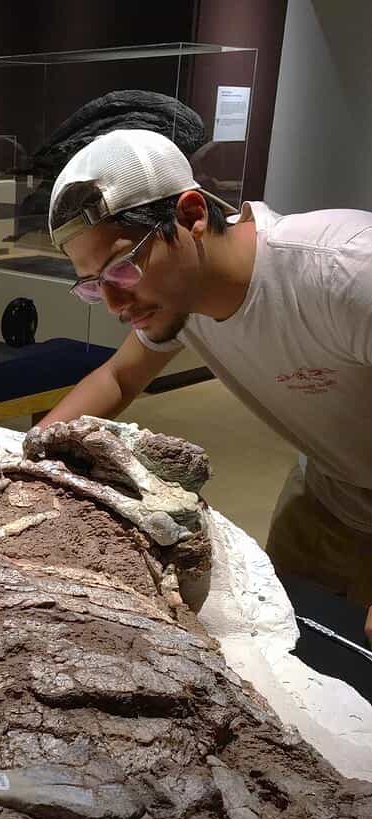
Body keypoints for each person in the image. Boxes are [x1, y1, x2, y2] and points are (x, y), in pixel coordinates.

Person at [37, 128, 372, 645]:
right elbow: (118, 376)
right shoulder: (180, 296)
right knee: (291, 641)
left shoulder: (345, 270)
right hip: (329, 493)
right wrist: (28, 462)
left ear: (191, 216)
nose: (113, 303)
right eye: (93, 284)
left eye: (122, 268)